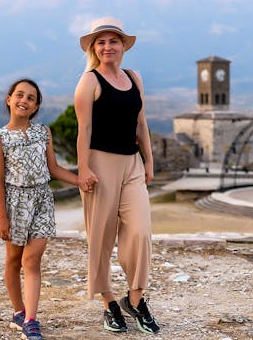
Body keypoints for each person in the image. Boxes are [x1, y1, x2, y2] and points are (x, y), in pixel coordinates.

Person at [73, 17, 160, 334]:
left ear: (123, 45)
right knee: (101, 237)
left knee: (140, 231)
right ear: (94, 48)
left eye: (113, 41)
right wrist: (83, 169)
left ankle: (135, 299)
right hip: (100, 165)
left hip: (132, 164)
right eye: (101, 42)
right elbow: (84, 131)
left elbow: (141, 124)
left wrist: (149, 161)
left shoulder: (134, 78)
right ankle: (109, 301)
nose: (107, 46)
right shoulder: (89, 82)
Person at [0, 78, 90, 340]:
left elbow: (53, 169)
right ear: (9, 99)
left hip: (42, 200)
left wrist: (80, 180)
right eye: (19, 95)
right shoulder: (0, 138)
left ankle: (32, 321)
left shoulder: (43, 133)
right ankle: (18, 312)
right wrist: (3, 217)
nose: (24, 100)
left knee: (32, 260)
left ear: (35, 107)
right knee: (13, 260)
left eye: (30, 98)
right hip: (14, 204)